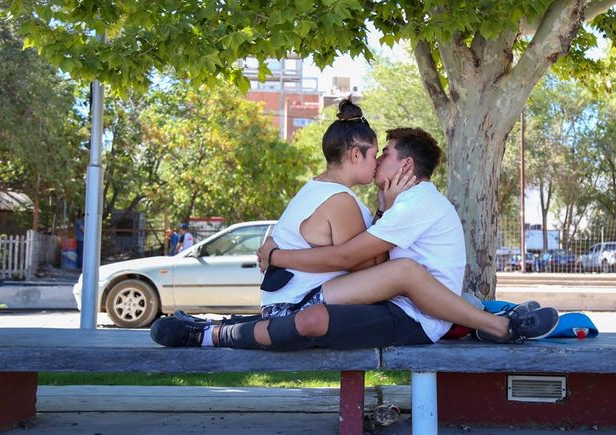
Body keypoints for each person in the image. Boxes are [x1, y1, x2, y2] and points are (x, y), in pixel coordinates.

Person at [151, 103, 557, 350]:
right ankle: (493, 321)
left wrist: (275, 253)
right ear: (356, 153)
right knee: (396, 275)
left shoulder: (414, 202)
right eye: (375, 153)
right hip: (384, 304)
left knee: (394, 277)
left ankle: (494, 324)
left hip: (413, 315)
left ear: (406, 166)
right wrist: (382, 211)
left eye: (386, 154)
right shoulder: (391, 203)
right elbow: (360, 261)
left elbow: (356, 260)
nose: (379, 160)